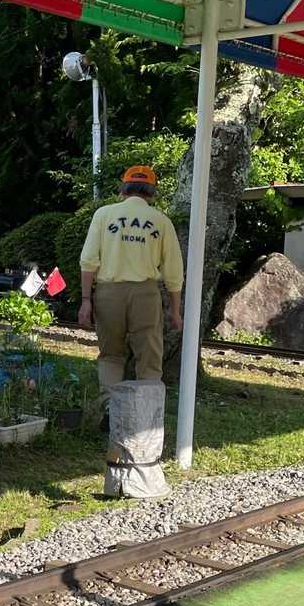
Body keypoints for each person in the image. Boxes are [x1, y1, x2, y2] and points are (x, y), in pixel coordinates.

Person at [78, 165, 185, 425]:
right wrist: (175, 311)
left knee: (111, 354)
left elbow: (88, 260)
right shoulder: (161, 221)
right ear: (151, 191)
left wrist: (86, 300)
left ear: (124, 188)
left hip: (108, 293)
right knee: (148, 356)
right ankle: (146, 415)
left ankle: (109, 409)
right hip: (145, 295)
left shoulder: (104, 215)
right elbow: (173, 271)